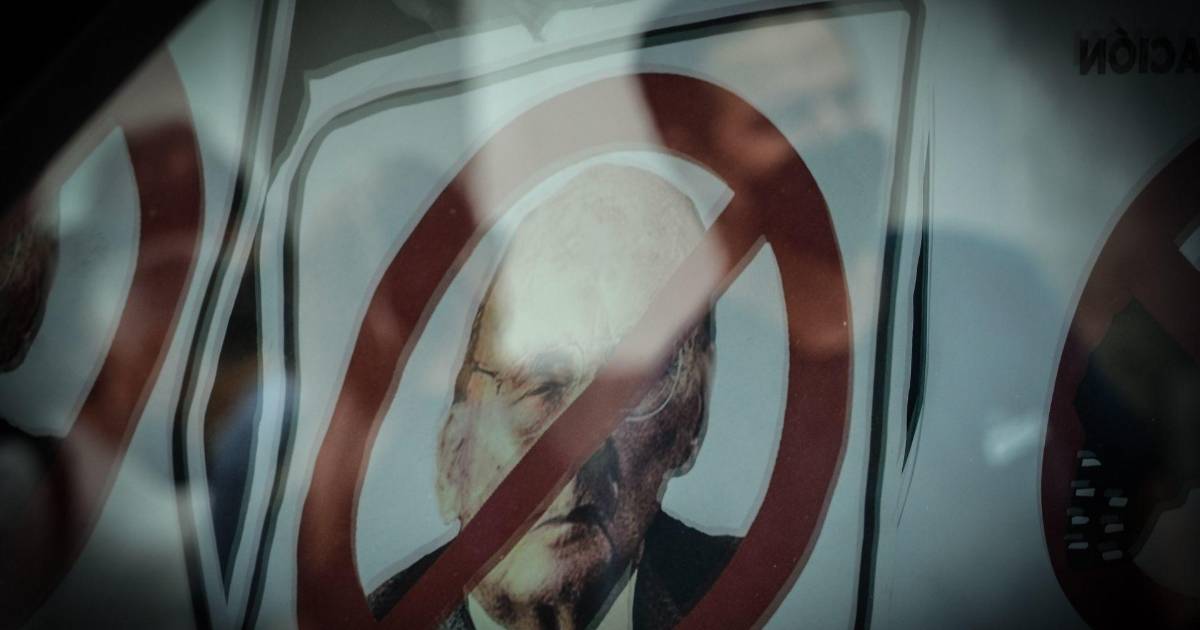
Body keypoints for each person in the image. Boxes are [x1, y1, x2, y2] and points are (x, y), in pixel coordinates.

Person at [368, 164, 739, 629]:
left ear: (691, 420)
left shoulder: (758, 597)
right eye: (541, 385)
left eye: (628, 385)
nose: (577, 450)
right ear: (453, 450)